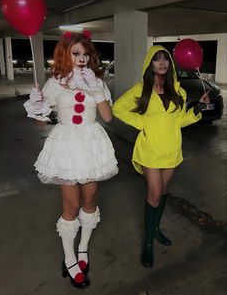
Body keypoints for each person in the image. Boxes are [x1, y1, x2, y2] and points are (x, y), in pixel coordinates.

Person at [24, 30, 118, 288]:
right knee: (71, 206)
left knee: (90, 200)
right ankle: (69, 258)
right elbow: (39, 124)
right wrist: (37, 107)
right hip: (66, 148)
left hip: (91, 146)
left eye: (86, 54)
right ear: (65, 53)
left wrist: (97, 88)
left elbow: (108, 118)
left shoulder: (96, 80)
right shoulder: (54, 82)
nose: (81, 59)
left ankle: (83, 249)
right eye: (76, 53)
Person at [112, 45, 210, 268]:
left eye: (165, 59)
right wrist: (143, 124)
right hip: (150, 150)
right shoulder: (141, 89)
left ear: (170, 64)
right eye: (157, 59)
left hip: (172, 149)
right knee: (154, 194)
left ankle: (156, 229)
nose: (162, 63)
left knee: (164, 191)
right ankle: (147, 244)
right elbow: (118, 109)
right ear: (150, 64)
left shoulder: (179, 91)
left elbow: (179, 120)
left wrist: (197, 110)